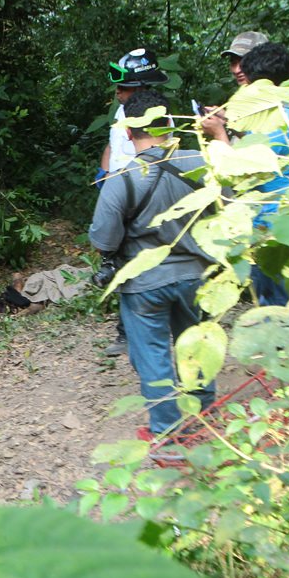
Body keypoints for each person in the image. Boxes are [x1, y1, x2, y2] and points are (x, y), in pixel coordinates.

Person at [89, 90, 217, 436]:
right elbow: (228, 206)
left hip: (144, 284)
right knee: (196, 343)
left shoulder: (122, 180)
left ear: (128, 133)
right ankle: (207, 417)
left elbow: (103, 238)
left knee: (153, 357)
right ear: (171, 123)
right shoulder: (200, 162)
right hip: (196, 274)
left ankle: (169, 433)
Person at [201, 42, 289, 306]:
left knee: (274, 299)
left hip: (274, 218)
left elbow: (241, 171)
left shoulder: (277, 121)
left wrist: (219, 134)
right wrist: (231, 122)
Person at [97, 48, 170, 357]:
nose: (118, 92)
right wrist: (104, 174)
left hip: (143, 197)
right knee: (120, 265)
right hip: (120, 192)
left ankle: (156, 331)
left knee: (144, 264)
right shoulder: (121, 112)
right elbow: (112, 144)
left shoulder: (158, 116)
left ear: (141, 87)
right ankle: (126, 332)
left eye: (124, 87)